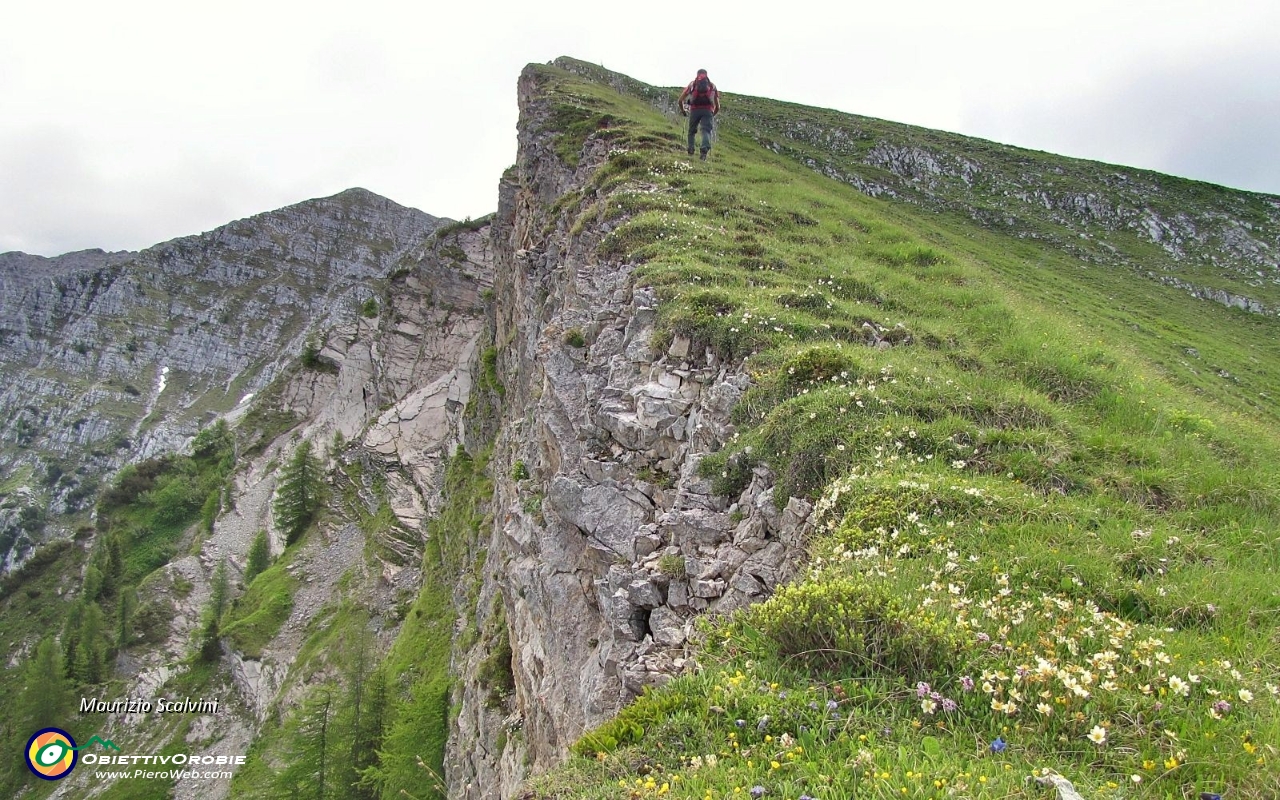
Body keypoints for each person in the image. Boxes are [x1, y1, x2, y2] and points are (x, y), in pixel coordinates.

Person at [678, 69, 720, 161]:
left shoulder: (692, 84)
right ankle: (704, 150)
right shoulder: (712, 86)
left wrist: (683, 111)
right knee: (706, 131)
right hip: (708, 111)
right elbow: (718, 107)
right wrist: (712, 114)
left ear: (697, 75)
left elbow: (680, 100)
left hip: (694, 110)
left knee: (691, 131)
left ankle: (691, 150)